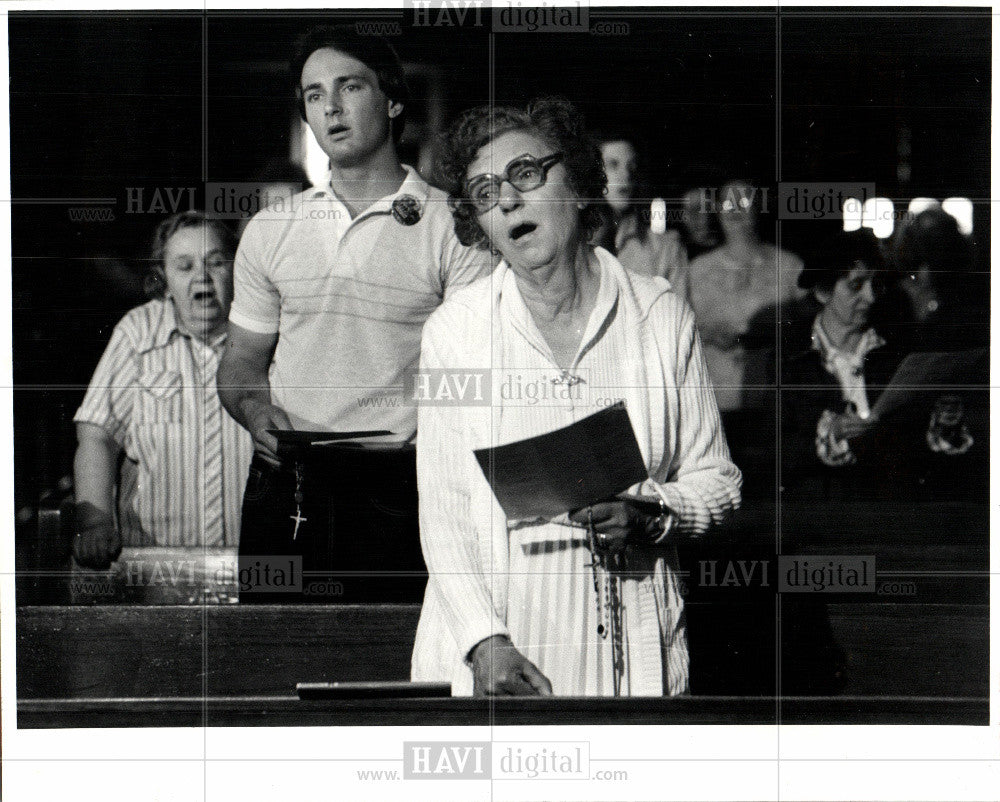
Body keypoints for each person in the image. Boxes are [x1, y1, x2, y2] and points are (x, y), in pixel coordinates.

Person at [410, 98, 741, 697]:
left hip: (631, 642)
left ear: (581, 185)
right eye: (484, 193)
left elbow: (717, 479)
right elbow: (444, 511)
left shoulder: (658, 315)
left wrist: (654, 513)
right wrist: (486, 643)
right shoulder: (453, 333)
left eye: (526, 175)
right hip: (500, 646)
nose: (506, 199)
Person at [217, 26, 492, 601]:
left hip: (402, 487)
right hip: (287, 481)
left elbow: (478, 379)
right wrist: (254, 410)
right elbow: (241, 362)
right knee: (272, 667)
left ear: (393, 100)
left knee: (398, 676)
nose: (331, 108)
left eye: (349, 87)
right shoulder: (272, 229)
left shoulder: (453, 227)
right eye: (314, 95)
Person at [73, 211, 252, 568]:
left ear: (237, 271)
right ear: (164, 279)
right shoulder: (137, 332)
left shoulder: (259, 335)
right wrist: (95, 522)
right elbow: (97, 434)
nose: (202, 276)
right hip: (153, 567)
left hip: (249, 564)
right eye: (184, 266)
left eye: (216, 263)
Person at [782, 229, 980, 501]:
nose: (871, 298)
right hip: (821, 510)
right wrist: (831, 433)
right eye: (856, 286)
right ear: (823, 291)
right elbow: (775, 450)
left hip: (894, 505)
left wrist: (944, 424)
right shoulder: (790, 359)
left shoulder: (896, 351)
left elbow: (919, 446)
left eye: (874, 286)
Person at [687, 179, 806, 413]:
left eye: (743, 202)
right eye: (727, 203)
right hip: (713, 404)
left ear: (759, 209)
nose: (734, 210)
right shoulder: (697, 270)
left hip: (774, 403)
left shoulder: (790, 267)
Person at [596, 136, 689, 295]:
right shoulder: (575, 242)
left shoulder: (665, 248)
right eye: (613, 165)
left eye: (632, 166)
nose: (626, 175)